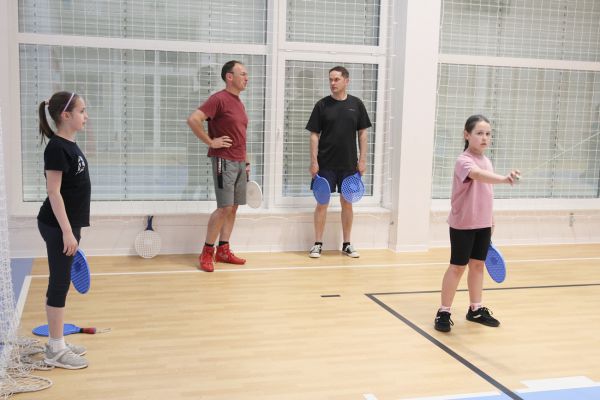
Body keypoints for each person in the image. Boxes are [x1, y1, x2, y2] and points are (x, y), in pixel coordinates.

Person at [434, 115, 520, 333]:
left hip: (483, 224)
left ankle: (475, 309)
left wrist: (490, 220)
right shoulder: (463, 161)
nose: (484, 138)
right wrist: (504, 179)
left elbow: (486, 193)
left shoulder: (487, 161)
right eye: (479, 133)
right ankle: (444, 311)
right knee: (457, 267)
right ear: (467, 135)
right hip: (463, 224)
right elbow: (478, 176)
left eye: (488, 134)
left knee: (478, 266)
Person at [37, 91, 91, 369]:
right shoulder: (56, 148)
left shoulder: (68, 144)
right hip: (58, 226)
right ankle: (55, 350)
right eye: (81, 111)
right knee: (59, 283)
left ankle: (57, 342)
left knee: (61, 281)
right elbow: (53, 192)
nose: (86, 116)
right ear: (65, 115)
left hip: (67, 225)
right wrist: (67, 232)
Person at [187, 60, 250, 272]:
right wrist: (210, 142)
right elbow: (194, 119)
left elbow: (240, 134)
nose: (247, 77)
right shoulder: (218, 99)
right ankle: (207, 252)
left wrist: (246, 161)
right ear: (229, 77)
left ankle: (223, 250)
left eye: (246, 74)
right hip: (224, 160)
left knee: (234, 207)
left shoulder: (239, 102)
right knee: (224, 207)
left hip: (239, 161)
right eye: (242, 74)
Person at [306, 66, 371, 258]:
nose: (332, 83)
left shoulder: (356, 104)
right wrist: (313, 161)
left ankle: (347, 244)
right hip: (325, 164)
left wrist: (362, 160)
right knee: (322, 203)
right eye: (330, 80)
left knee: (347, 203)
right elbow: (314, 135)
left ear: (346, 81)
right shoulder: (322, 105)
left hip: (349, 165)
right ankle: (317, 244)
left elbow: (363, 133)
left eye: (336, 79)